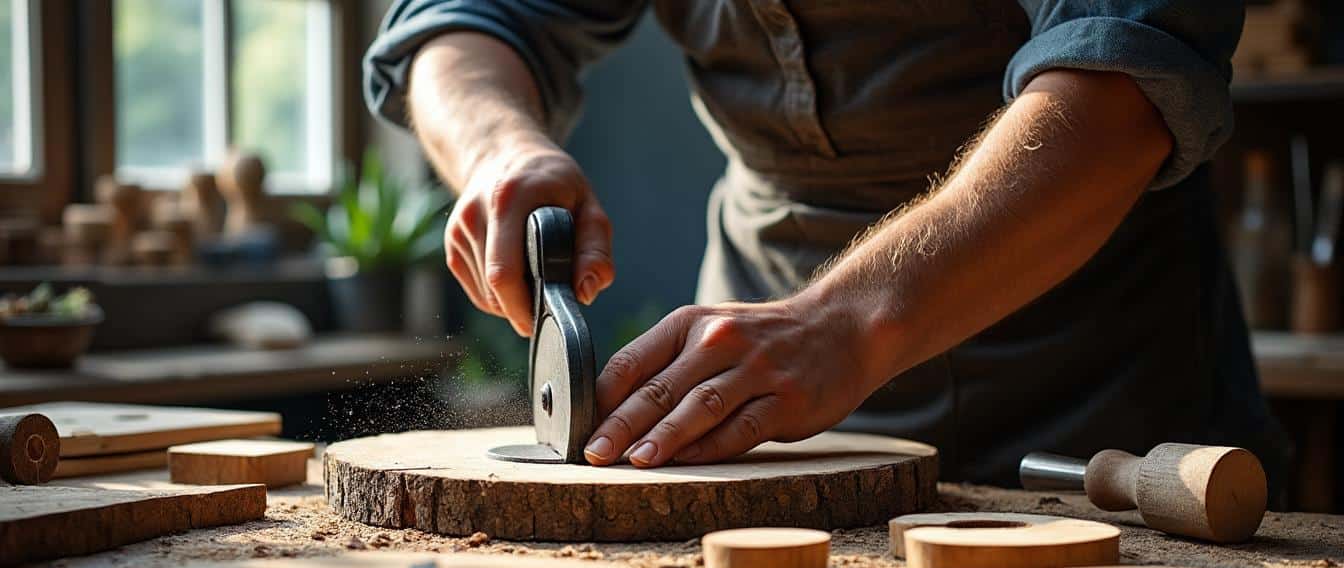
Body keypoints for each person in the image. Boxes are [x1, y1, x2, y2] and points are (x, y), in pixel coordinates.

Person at [366, 1, 1288, 492]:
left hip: (1093, 393)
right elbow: (464, 19)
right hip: (762, 421)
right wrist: (499, 146)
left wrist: (847, 323)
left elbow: (1120, 97)